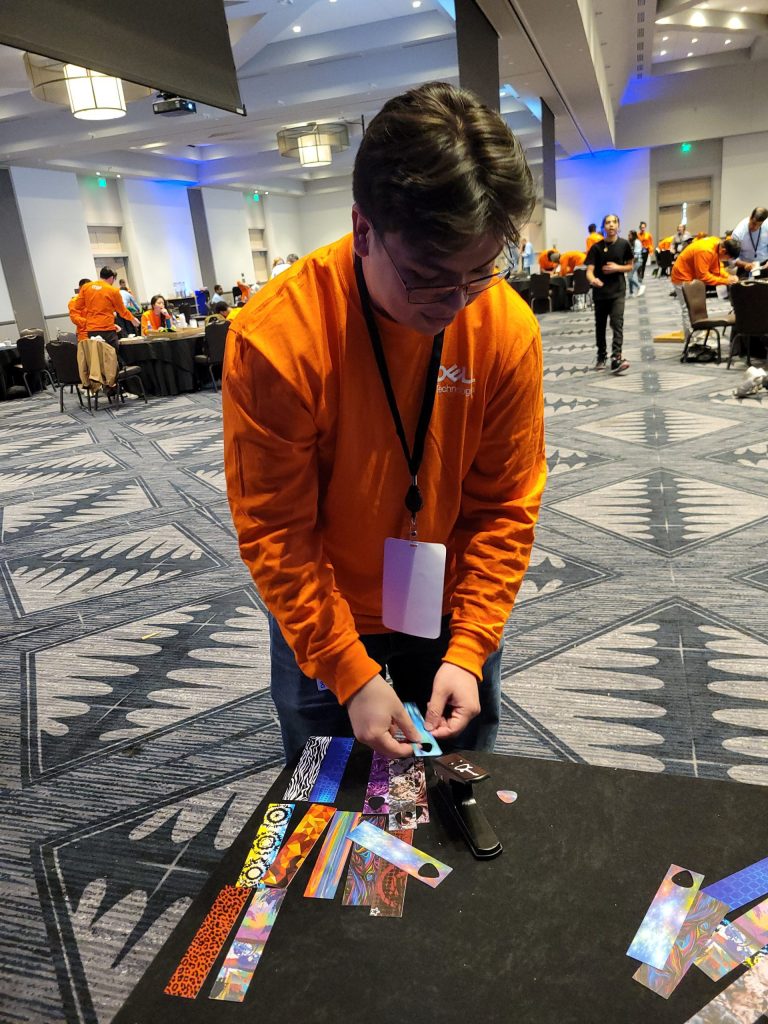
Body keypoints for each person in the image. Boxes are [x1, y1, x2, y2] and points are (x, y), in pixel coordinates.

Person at [222, 81, 546, 763]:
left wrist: (473, 644)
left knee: (460, 785)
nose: (456, 303)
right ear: (363, 228)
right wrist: (345, 665)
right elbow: (278, 530)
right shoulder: (280, 339)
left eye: (481, 272)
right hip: (321, 606)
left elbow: (504, 505)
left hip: (446, 599)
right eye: (431, 275)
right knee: (326, 798)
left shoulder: (505, 328)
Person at [585, 213, 634, 373]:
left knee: (617, 323)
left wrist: (617, 268)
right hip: (600, 293)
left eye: (614, 222)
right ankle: (601, 356)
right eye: (607, 222)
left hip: (618, 291)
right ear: (603, 227)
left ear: (618, 226)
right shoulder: (596, 248)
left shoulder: (624, 245)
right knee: (600, 326)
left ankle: (616, 357)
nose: (611, 225)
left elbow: (630, 266)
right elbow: (589, 271)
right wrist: (593, 280)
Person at [670, 235, 739, 341]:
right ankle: (691, 341)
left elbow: (716, 265)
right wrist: (726, 281)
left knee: (698, 307)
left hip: (692, 275)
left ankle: (698, 336)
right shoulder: (705, 250)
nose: (727, 260)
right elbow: (704, 276)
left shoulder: (717, 243)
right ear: (723, 250)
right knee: (688, 309)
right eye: (728, 258)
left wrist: (727, 276)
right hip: (682, 276)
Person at [70, 266, 139, 348]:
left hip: (92, 330)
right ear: (112, 277)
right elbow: (122, 311)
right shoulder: (113, 290)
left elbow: (78, 306)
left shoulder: (86, 287)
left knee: (96, 356)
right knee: (111, 355)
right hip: (107, 330)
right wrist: (133, 319)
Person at [730, 207, 768, 275]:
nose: (755, 227)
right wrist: (745, 264)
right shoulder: (738, 232)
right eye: (753, 223)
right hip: (744, 266)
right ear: (750, 217)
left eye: (759, 225)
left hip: (764, 265)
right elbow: (731, 257)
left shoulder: (766, 225)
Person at [627, 230, 643, 296]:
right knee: (630, 276)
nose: (628, 236)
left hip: (636, 262)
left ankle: (639, 287)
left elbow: (636, 254)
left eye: (629, 235)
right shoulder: (631, 242)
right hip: (633, 261)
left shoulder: (637, 242)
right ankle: (631, 293)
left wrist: (632, 263)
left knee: (629, 277)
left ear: (633, 235)